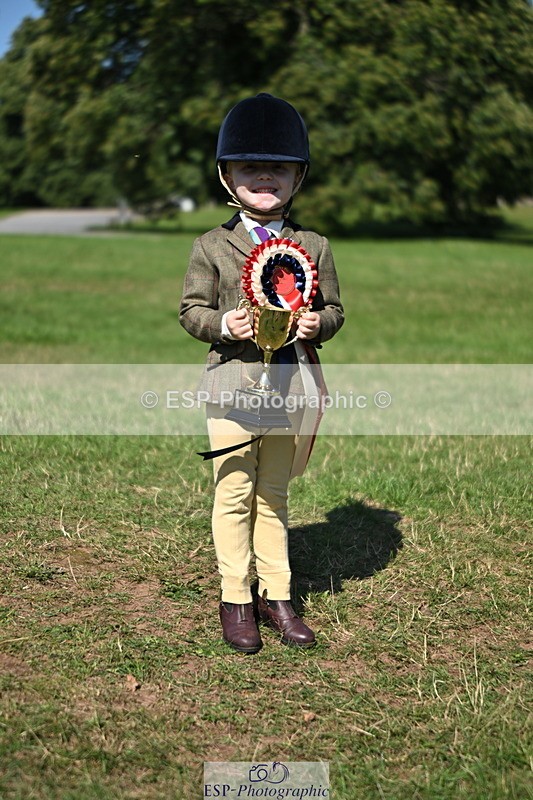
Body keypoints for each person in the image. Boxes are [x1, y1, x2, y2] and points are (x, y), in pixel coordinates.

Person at [180, 93, 344, 653]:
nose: (265, 177)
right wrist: (226, 322)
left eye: (278, 167)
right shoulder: (211, 246)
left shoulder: (313, 245)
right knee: (233, 492)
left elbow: (336, 311)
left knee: (274, 495)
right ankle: (235, 598)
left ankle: (278, 595)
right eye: (251, 167)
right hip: (231, 388)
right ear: (228, 175)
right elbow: (190, 312)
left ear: (298, 176)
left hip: (288, 390)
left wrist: (317, 322)